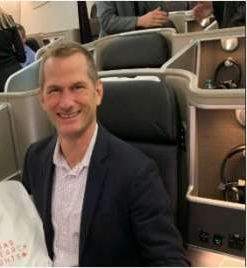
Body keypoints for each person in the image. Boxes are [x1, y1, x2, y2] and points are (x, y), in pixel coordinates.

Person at [22, 41, 190, 266]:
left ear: (98, 92)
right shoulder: (35, 158)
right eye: (54, 90)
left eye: (77, 87)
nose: (66, 102)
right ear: (42, 99)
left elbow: (170, 261)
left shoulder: (137, 172)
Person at [96, 2, 172, 37]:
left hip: (143, 39)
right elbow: (107, 21)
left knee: (170, 26)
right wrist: (139, 21)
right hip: (113, 43)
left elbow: (163, 14)